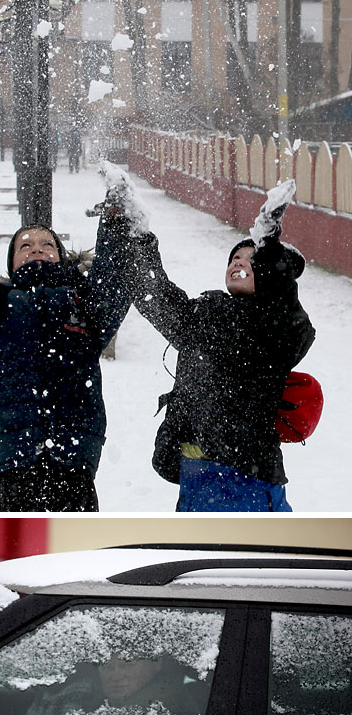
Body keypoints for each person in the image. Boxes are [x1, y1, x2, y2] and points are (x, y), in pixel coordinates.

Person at [0, 150, 132, 513]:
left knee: (75, 555)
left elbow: (114, 279)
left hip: (74, 458)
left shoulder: (84, 301)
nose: (36, 249)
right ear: (11, 261)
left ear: (60, 255)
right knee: (16, 556)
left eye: (46, 244)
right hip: (13, 457)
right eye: (25, 245)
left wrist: (116, 217)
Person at [126, 177, 315, 513]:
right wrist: (137, 232)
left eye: (251, 257)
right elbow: (153, 295)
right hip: (194, 475)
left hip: (248, 477)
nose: (240, 262)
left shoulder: (276, 327)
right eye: (235, 258)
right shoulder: (201, 315)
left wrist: (269, 241)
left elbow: (285, 309)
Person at [0, 648, 210, 715]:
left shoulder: (161, 707)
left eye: (127, 664)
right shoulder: (92, 697)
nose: (115, 674)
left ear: (157, 664)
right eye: (107, 666)